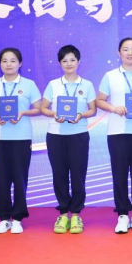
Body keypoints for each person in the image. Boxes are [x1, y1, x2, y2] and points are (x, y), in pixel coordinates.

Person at [96, 38, 132, 234]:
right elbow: (99, 100)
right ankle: (122, 215)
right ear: (119, 53)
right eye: (126, 49)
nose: (130, 53)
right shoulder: (110, 76)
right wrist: (114, 108)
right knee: (119, 174)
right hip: (117, 131)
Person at [0, 48, 42, 234]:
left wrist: (22, 112)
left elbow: (38, 108)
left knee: (20, 177)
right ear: (0, 64)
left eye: (13, 60)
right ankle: (3, 218)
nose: (9, 64)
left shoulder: (29, 84)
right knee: (2, 177)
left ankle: (17, 218)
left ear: (20, 63)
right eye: (5, 61)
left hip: (21, 137)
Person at [40, 45, 96, 234]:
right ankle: (63, 214)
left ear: (79, 62)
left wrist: (80, 115)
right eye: (65, 60)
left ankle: (77, 214)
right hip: (55, 135)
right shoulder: (53, 84)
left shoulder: (86, 85)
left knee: (78, 175)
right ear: (60, 63)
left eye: (72, 60)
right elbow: (43, 108)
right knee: (59, 174)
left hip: (79, 135)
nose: (69, 63)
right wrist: (54, 114)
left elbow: (92, 110)